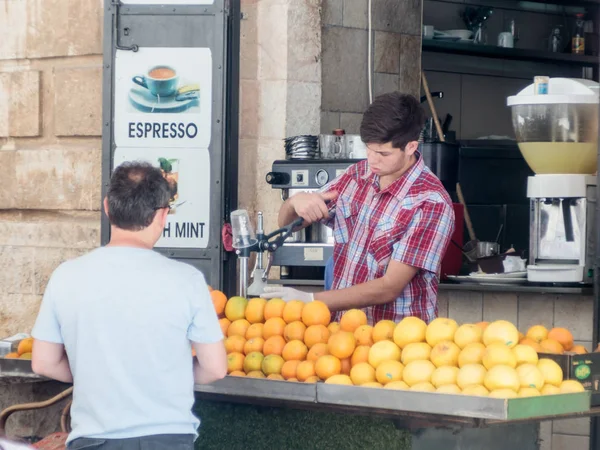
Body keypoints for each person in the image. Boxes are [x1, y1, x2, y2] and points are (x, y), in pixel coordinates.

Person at [31, 161, 227, 450]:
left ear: (108, 207)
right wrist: (165, 374)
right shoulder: (187, 281)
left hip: (93, 440)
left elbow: (44, 362)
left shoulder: (66, 276)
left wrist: (95, 373)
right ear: (162, 215)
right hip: (167, 439)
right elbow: (216, 368)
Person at [262, 92, 455, 324]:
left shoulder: (430, 203)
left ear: (411, 147)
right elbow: (286, 226)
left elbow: (389, 287)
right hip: (342, 336)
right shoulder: (356, 176)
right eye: (369, 149)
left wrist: (313, 301)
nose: (372, 159)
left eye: (383, 153)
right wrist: (295, 202)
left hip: (397, 343)